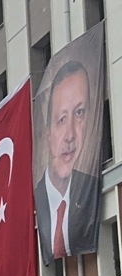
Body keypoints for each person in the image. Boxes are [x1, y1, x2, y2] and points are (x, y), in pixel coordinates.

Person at [34, 60, 101, 264]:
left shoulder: (90, 188)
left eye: (79, 113)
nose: (70, 134)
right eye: (62, 120)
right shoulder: (33, 201)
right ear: (48, 134)